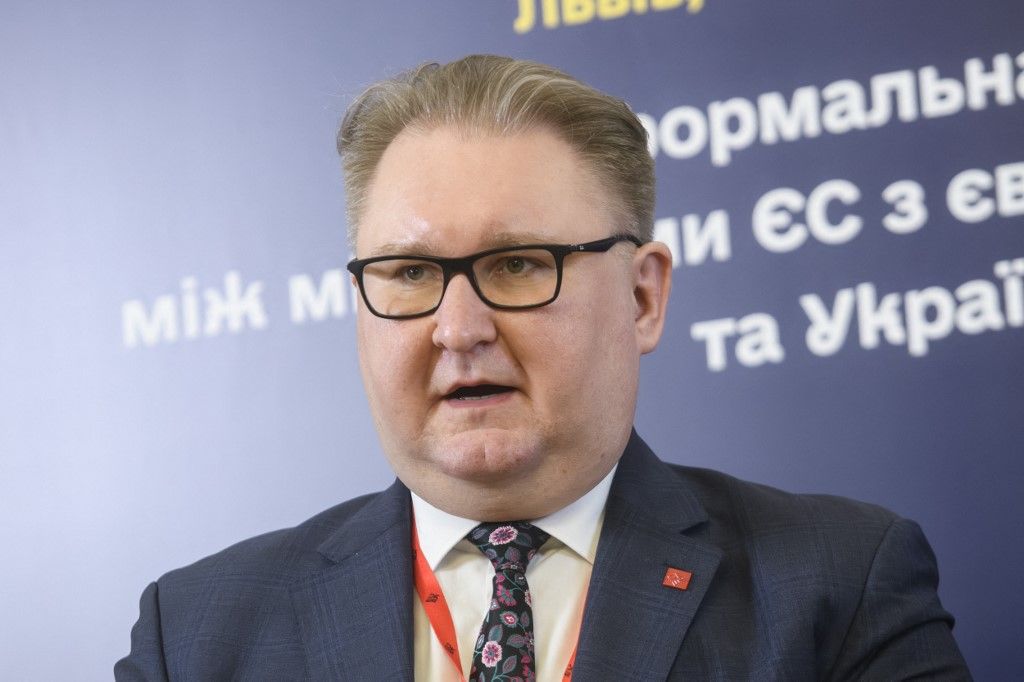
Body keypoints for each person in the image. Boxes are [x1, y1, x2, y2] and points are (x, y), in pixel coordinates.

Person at [116, 55, 970, 681]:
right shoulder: (195, 636)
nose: (458, 328)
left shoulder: (838, 586)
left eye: (519, 264)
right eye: (410, 274)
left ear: (642, 298)